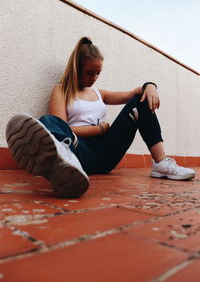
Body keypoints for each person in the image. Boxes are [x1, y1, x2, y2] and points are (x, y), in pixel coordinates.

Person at [6, 36, 195, 199]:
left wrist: (150, 85)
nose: (94, 77)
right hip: (77, 152)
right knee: (48, 122)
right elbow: (64, 128)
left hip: (106, 152)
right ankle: (62, 165)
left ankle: (161, 163)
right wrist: (100, 129)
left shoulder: (100, 94)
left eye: (98, 72)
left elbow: (134, 93)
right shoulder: (61, 91)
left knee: (140, 100)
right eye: (90, 72)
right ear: (76, 68)